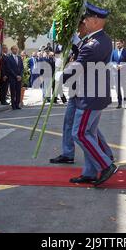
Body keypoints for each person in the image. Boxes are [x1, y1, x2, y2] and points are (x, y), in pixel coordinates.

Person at [65, 3, 117, 186]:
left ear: (95, 21)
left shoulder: (92, 44)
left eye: (87, 19)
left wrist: (60, 75)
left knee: (79, 133)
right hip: (95, 94)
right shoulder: (102, 40)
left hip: (89, 96)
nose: (84, 22)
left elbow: (77, 68)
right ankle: (89, 171)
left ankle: (106, 164)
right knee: (90, 133)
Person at [50, 17, 89, 164]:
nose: (79, 30)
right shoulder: (77, 42)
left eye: (80, 27)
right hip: (74, 89)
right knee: (68, 121)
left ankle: (104, 152)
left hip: (85, 89)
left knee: (88, 127)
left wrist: (77, 43)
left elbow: (85, 57)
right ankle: (68, 153)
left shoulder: (89, 42)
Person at [111, 40, 126, 108]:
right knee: (117, 88)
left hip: (124, 72)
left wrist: (122, 66)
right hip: (115, 73)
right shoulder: (114, 52)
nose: (118, 45)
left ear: (122, 43)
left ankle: (125, 103)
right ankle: (119, 103)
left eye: (119, 43)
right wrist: (115, 66)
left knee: (125, 88)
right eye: (117, 44)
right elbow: (111, 61)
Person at [6, 45, 24, 110]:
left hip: (19, 78)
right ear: (12, 50)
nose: (16, 50)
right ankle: (13, 105)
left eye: (16, 49)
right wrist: (16, 76)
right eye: (14, 49)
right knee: (13, 92)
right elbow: (9, 68)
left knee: (18, 91)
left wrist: (20, 75)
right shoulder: (9, 58)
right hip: (12, 78)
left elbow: (22, 68)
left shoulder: (19, 58)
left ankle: (17, 104)